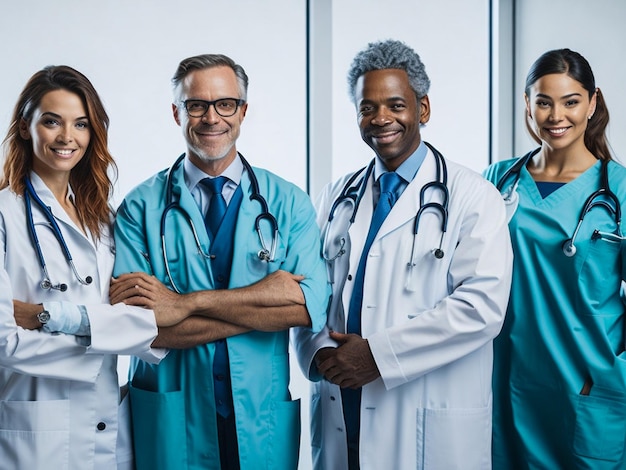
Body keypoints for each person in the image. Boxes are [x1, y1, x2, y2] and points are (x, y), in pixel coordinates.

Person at [292, 39, 513, 469]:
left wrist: (377, 355)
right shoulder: (335, 196)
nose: (381, 119)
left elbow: (482, 307)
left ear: (422, 109)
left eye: (396, 104)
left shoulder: (473, 197)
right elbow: (307, 290)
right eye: (367, 108)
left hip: (428, 416)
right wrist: (317, 352)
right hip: (343, 401)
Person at [109, 53, 329, 470]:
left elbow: (305, 306)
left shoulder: (287, 202)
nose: (212, 118)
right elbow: (138, 328)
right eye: (197, 105)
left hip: (259, 411)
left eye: (225, 104)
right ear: (177, 113)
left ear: (243, 111)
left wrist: (183, 305)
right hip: (174, 413)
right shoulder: (139, 207)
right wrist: (266, 300)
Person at [0, 65, 168, 469]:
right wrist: (108, 338)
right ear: (26, 127)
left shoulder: (103, 219)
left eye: (81, 124)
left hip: (107, 427)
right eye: (51, 122)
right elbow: (6, 343)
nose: (67, 138)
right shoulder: (4, 215)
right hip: (35, 436)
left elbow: (145, 318)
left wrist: (48, 318)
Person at [484, 48, 626, 469]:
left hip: (589, 378)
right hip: (507, 377)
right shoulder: (496, 181)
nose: (555, 115)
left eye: (571, 101)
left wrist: (616, 369)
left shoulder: (617, 189)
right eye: (543, 101)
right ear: (527, 103)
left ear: (593, 102)